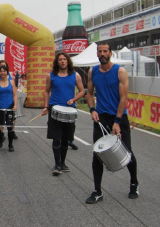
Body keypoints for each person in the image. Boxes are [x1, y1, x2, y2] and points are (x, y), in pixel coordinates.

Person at [85, 42, 139, 204]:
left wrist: (117, 122)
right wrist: (92, 110)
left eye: (105, 51)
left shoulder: (120, 71)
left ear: (111, 53)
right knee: (97, 154)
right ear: (97, 53)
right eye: (100, 51)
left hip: (119, 118)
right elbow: (89, 94)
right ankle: (97, 191)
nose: (102, 54)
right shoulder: (92, 71)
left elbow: (124, 98)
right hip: (101, 117)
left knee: (127, 153)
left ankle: (134, 183)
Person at [41, 52, 84, 176]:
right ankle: (57, 164)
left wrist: (73, 100)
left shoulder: (75, 75)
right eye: (60, 59)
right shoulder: (51, 76)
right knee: (56, 137)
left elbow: (82, 91)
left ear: (68, 61)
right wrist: (46, 106)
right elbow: (46, 91)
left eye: (64, 59)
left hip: (69, 110)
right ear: (57, 62)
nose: (62, 61)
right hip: (55, 109)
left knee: (66, 138)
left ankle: (63, 163)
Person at [0, 60, 18, 139]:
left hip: (9, 100)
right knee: (1, 120)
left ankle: (12, 132)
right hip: (0, 100)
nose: (3, 71)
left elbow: (14, 88)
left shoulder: (10, 76)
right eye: (1, 66)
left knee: (13, 118)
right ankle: (1, 135)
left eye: (4, 66)